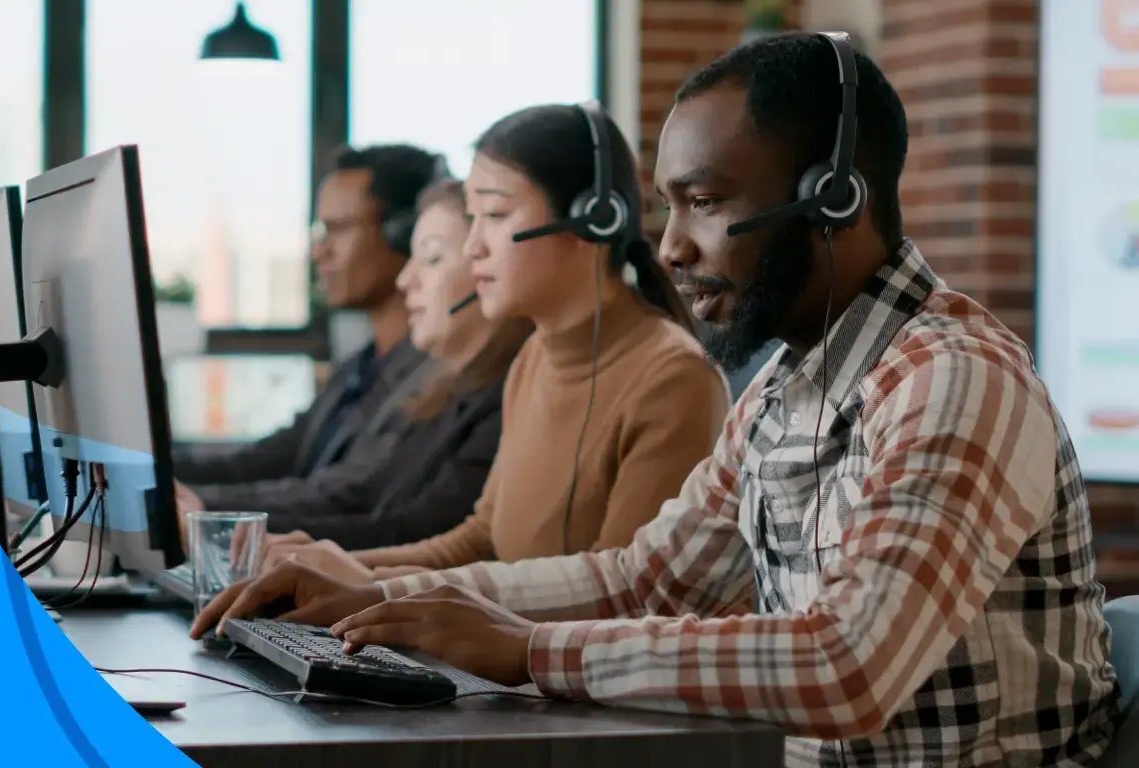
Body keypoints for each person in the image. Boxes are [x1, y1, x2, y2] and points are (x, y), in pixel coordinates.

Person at [192, 33, 1120, 767]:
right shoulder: (783, 389)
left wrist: (524, 651)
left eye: (704, 201)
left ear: (833, 198)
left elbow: (849, 666)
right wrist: (387, 596)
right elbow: (644, 579)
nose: (670, 247)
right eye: (667, 207)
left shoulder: (952, 379)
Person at [250, 102, 730, 583]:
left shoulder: (672, 379)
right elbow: (482, 540)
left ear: (593, 219)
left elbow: (619, 594)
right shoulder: (534, 358)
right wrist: (331, 566)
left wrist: (373, 588)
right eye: (473, 217)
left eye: (496, 214)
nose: (473, 245)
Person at [216, 179, 530, 561]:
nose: (405, 280)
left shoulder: (509, 395)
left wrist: (239, 530)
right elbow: (365, 497)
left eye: (431, 259)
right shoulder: (430, 390)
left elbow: (414, 526)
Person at [173, 144, 443, 527]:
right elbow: (259, 462)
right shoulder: (359, 367)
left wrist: (194, 506)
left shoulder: (438, 375)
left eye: (338, 229)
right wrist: (147, 471)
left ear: (403, 234)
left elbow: (348, 493)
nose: (320, 253)